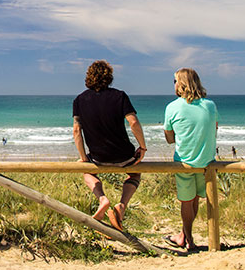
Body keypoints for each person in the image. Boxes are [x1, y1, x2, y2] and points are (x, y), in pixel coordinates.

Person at [73, 60, 147, 230]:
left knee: (87, 171)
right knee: (135, 174)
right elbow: (133, 122)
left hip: (98, 157)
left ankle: (102, 199)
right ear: (109, 77)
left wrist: (84, 158)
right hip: (124, 155)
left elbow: (76, 130)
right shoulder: (119, 96)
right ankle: (121, 205)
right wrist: (142, 147)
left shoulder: (79, 99)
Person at [163, 68, 218, 251]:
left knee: (187, 202)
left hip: (184, 161)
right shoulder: (210, 105)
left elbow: (170, 139)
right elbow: (214, 129)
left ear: (181, 84)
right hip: (206, 161)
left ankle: (188, 240)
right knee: (194, 200)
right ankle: (182, 234)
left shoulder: (172, 107)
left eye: (175, 81)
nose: (174, 85)